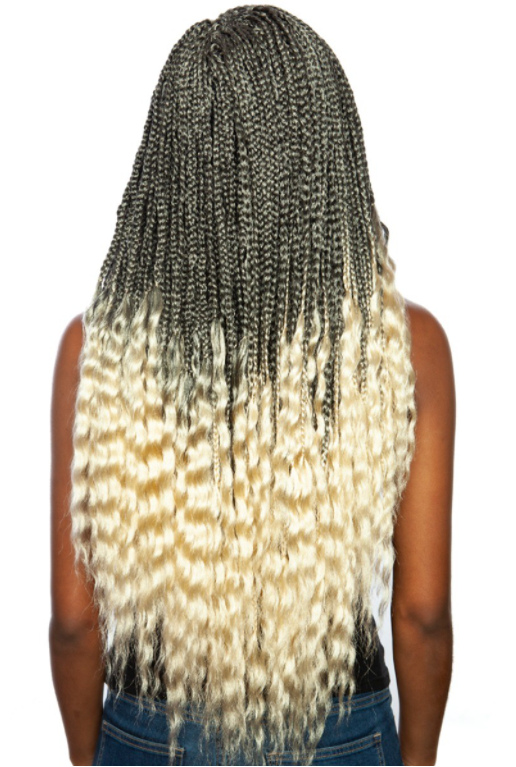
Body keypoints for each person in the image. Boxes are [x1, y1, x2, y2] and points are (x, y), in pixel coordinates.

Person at [49, 5, 455, 765]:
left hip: (150, 735)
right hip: (340, 736)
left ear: (170, 167)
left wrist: (91, 758)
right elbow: (424, 613)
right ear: (325, 157)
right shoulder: (407, 349)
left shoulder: (95, 350)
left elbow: (76, 624)